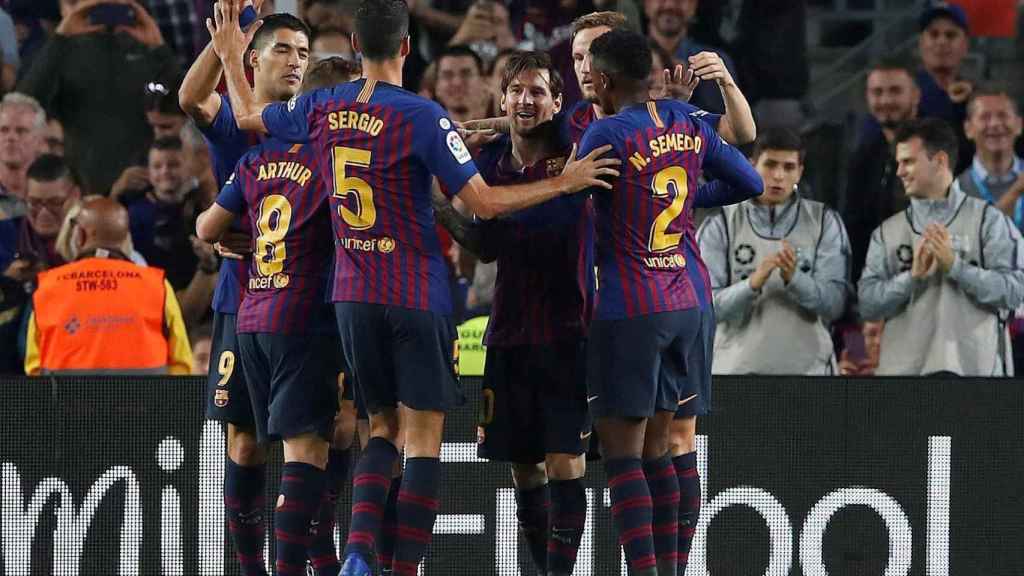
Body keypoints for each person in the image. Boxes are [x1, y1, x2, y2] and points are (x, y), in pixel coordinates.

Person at [206, 3, 617, 576]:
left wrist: (230, 53)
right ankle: (398, 569)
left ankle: (356, 550)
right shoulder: (424, 117)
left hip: (350, 296)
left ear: (352, 44)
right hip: (415, 292)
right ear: (406, 48)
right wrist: (564, 180)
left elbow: (250, 116)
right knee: (421, 437)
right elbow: (485, 205)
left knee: (380, 426)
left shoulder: (322, 105)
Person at [578, 28, 761, 576]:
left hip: (631, 306)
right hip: (690, 300)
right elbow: (749, 179)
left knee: (623, 453)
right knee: (665, 447)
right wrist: (688, 202)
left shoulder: (604, 133)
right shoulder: (685, 122)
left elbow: (570, 203)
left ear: (606, 80)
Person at [434, 51, 592, 576]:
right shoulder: (489, 164)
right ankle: (542, 566)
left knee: (566, 462)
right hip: (509, 330)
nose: (526, 100)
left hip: (568, 329)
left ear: (557, 100)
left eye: (538, 92)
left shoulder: (575, 152)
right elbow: (485, 244)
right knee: (524, 468)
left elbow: (587, 116)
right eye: (517, 91)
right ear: (501, 97)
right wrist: (433, 202)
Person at [180, 8, 317, 575]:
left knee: (311, 442)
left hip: (305, 300)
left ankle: (313, 561)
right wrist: (223, 44)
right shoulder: (232, 123)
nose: (296, 62)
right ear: (254, 59)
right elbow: (191, 98)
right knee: (244, 442)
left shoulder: (305, 121)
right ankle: (248, 568)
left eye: (304, 54)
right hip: (240, 297)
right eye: (284, 49)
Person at [195, 81, 343, 576]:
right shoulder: (328, 162)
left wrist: (244, 236)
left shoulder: (253, 163)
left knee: (270, 441)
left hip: (253, 314)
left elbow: (205, 228)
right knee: (305, 451)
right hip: (302, 316)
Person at [858, 118, 1024, 376]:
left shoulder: (989, 222)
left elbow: (1014, 293)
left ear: (940, 161)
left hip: (976, 378)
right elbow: (867, 305)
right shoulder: (887, 232)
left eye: (909, 161)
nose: (900, 171)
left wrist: (956, 268)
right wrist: (911, 278)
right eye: (899, 162)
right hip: (904, 379)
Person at [699, 128, 851, 375]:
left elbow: (835, 305)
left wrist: (795, 279)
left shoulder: (825, 222)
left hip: (810, 373)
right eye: (770, 164)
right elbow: (703, 308)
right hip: (735, 372)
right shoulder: (720, 223)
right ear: (751, 165)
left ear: (800, 172)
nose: (778, 176)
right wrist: (752, 284)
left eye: (789, 167)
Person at [17, 0, 180, 196]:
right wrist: (61, 37)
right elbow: (22, 106)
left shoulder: (145, 46)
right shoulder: (63, 51)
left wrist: (158, 46)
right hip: (84, 188)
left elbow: (183, 104)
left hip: (144, 189)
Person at [24, 196, 192, 375]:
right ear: (125, 237)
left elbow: (34, 368)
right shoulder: (158, 286)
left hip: (67, 403)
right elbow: (182, 365)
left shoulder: (48, 287)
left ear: (80, 235)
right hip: (146, 402)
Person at [843, 57, 920, 283]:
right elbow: (854, 225)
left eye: (895, 91)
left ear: (915, 95)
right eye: (877, 92)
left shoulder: (938, 148)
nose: (885, 100)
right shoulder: (862, 156)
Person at [643, 0, 737, 115]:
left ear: (694, 5)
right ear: (646, 3)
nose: (670, 5)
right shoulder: (625, 57)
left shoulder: (714, 63)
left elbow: (726, 126)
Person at [955, 87, 1024, 227]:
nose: (995, 124)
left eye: (1003, 115)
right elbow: (971, 241)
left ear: (1019, 125)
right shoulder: (956, 191)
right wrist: (1015, 192)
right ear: (968, 129)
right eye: (985, 117)